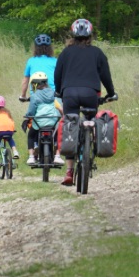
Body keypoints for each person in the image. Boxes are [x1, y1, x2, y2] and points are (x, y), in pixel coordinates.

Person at [53, 19, 117, 186]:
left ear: (72, 35)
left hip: (69, 94)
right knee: (90, 118)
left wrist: (59, 90)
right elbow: (106, 76)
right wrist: (111, 93)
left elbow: (57, 75)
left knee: (71, 125)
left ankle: (68, 171)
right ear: (90, 35)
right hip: (90, 93)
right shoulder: (97, 53)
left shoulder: (65, 53)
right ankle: (93, 143)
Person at [21, 72, 64, 166]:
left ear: (35, 84)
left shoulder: (34, 96)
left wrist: (27, 116)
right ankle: (57, 155)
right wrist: (63, 116)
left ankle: (31, 157)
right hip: (53, 121)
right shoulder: (53, 94)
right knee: (58, 134)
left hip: (39, 122)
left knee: (31, 136)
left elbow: (31, 111)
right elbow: (60, 108)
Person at [19, 34, 57, 100]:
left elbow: (26, 80)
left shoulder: (31, 61)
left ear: (35, 48)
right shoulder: (55, 61)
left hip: (36, 93)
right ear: (50, 48)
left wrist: (23, 95)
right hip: (53, 94)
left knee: (32, 109)